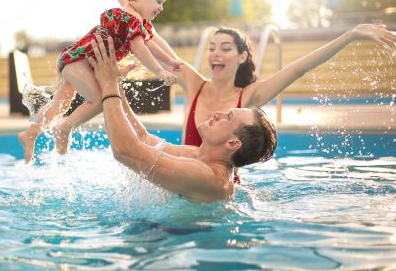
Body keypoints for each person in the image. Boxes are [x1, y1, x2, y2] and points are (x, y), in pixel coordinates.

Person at [81, 0, 396, 149]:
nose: (215, 54)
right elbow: (145, 30)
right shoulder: (194, 85)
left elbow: (299, 68)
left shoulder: (249, 97)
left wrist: (349, 36)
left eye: (224, 48)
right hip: (180, 180)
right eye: (211, 48)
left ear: (241, 57)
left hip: (215, 190)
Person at [18, 0, 182, 163]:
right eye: (158, 1)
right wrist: (159, 70)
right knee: (100, 100)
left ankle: (30, 134)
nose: (161, 7)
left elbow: (149, 44)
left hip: (73, 59)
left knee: (61, 104)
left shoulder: (135, 20)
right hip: (80, 61)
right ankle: (64, 128)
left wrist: (170, 61)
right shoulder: (129, 18)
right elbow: (140, 49)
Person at [89, 36, 277, 203]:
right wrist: (116, 86)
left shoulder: (208, 178)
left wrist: (108, 86)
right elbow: (143, 139)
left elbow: (126, 152)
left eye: (228, 117)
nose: (218, 114)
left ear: (233, 142)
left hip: (181, 237)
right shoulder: (196, 155)